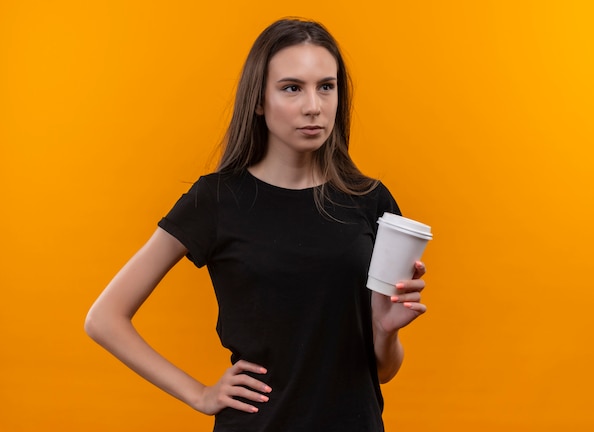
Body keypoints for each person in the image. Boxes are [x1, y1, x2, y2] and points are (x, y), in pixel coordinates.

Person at [85, 17, 427, 432]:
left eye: (326, 86)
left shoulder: (371, 201)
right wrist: (199, 394)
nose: (313, 106)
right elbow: (103, 319)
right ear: (259, 100)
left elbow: (384, 371)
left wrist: (386, 332)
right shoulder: (216, 200)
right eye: (291, 88)